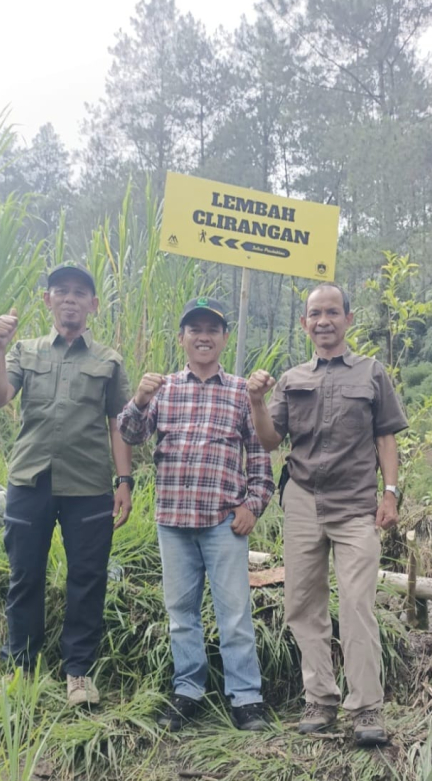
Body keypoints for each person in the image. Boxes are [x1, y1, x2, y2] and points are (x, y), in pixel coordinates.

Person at [247, 283, 408, 747]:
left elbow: (386, 437)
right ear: (304, 324)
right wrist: (256, 401)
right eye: (315, 314)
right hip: (302, 501)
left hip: (356, 504)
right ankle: (319, 699)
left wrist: (391, 494)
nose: (324, 321)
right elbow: (269, 441)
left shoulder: (371, 372)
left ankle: (366, 707)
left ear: (348, 319)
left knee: (357, 604)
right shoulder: (292, 378)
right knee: (302, 604)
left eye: (332, 312)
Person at [117, 297, 274, 732]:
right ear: (182, 338)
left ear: (225, 338)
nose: (203, 337)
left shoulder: (242, 392)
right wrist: (139, 399)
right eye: (195, 329)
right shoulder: (163, 388)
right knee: (181, 615)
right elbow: (129, 433)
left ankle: (247, 698)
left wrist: (253, 506)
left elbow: (261, 458)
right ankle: (187, 691)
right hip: (173, 523)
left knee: (235, 615)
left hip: (224, 523)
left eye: (212, 330)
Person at [0, 262, 133, 707]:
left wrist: (124, 481)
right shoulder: (24, 350)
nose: (70, 298)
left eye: (80, 292)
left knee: (87, 578)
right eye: (61, 290)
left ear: (94, 304)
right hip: (30, 481)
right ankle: (20, 671)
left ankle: (78, 673)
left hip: (89, 486)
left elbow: (118, 424)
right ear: (47, 300)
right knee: (25, 577)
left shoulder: (108, 360)